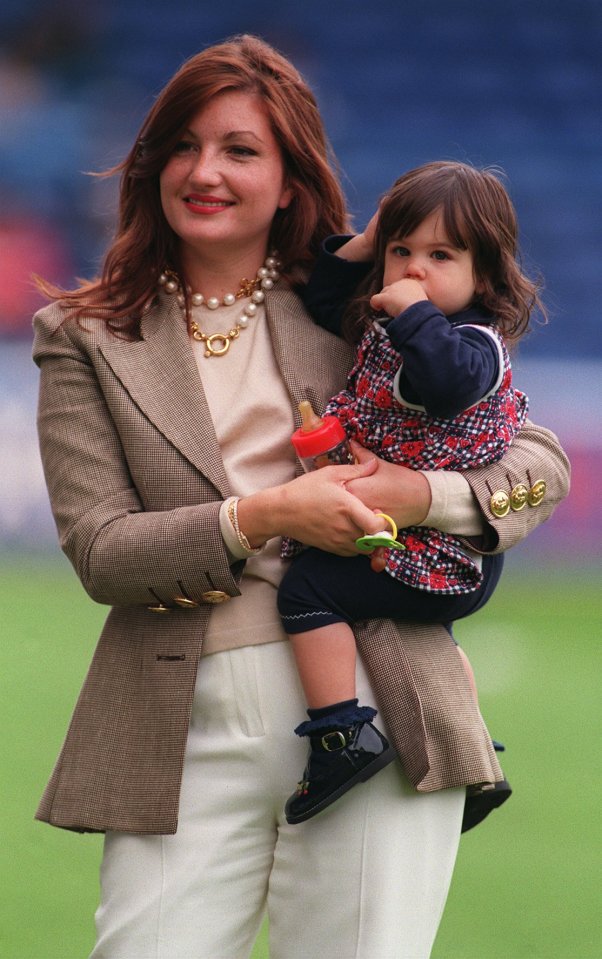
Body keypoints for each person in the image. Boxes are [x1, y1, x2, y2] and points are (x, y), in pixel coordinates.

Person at [32, 34, 570, 959]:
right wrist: (266, 516)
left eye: (241, 150)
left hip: (384, 703)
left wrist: (421, 493)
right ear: (151, 163)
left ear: (290, 180)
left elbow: (541, 469)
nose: (205, 171)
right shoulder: (80, 334)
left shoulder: (362, 304)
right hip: (176, 720)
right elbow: (104, 552)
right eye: (184, 145)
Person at [278, 161, 539, 825]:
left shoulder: (469, 345)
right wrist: (369, 244)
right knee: (437, 640)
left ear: (483, 274)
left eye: (440, 256)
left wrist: (415, 309)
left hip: (447, 549)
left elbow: (446, 382)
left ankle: (340, 734)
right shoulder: (400, 321)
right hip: (425, 544)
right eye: (404, 251)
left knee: (307, 588)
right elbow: (322, 301)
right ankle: (471, 753)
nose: (415, 270)